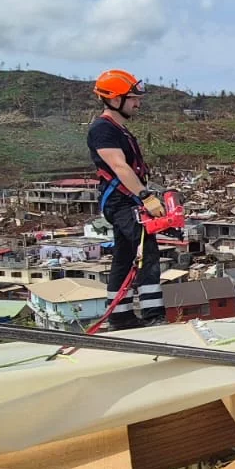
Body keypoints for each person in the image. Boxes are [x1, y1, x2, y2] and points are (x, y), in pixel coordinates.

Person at [88, 69, 166, 330]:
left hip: (126, 201)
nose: (137, 103)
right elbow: (120, 168)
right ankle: (153, 313)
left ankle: (120, 316)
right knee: (147, 252)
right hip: (123, 201)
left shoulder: (120, 130)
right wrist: (145, 197)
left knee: (125, 255)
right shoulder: (103, 130)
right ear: (113, 99)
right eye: (132, 98)